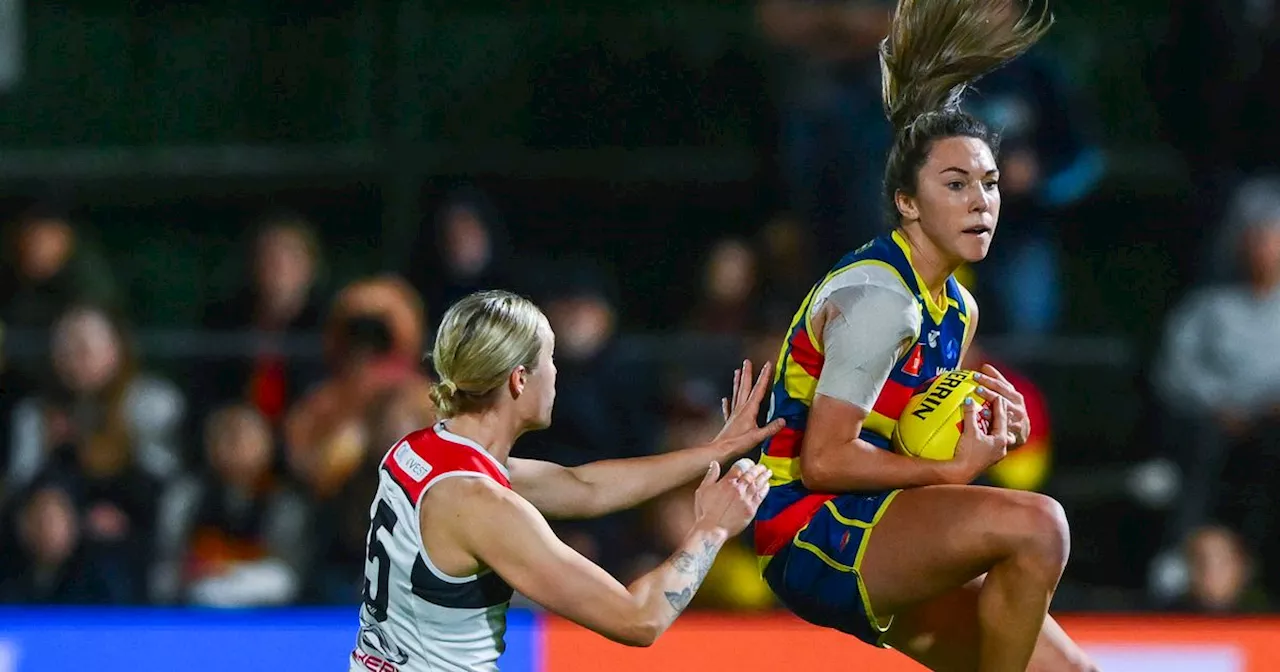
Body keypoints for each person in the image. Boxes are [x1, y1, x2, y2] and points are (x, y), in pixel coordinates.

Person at [750, 0, 1098, 670]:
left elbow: (911, 428)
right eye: (957, 183)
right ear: (907, 201)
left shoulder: (957, 307)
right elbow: (824, 460)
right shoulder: (883, 300)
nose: (982, 202)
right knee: (1040, 525)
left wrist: (980, 430)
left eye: (991, 184)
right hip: (810, 527)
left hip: (876, 518)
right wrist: (950, 469)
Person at [349, 290, 782, 672]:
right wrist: (712, 528)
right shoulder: (483, 505)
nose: (557, 374)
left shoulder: (420, 450)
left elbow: (582, 486)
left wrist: (715, 450)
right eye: (549, 361)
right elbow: (639, 619)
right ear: (519, 380)